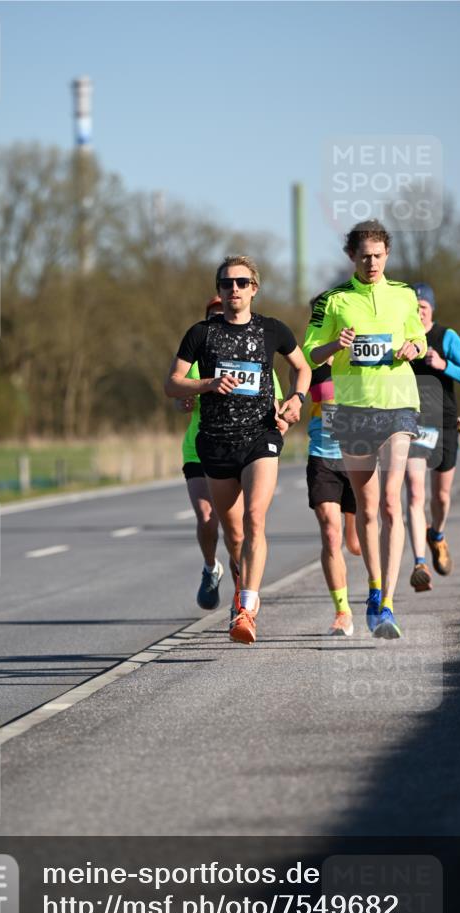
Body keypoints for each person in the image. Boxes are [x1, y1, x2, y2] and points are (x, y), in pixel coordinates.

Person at [165, 254, 311, 644]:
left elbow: (303, 366)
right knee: (233, 535)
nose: (234, 289)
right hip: (214, 442)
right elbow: (172, 383)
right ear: (219, 289)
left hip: (259, 437)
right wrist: (207, 385)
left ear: (254, 289)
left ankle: (247, 607)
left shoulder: (272, 330)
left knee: (255, 517)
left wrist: (297, 399)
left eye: (242, 283)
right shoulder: (200, 334)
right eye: (227, 283)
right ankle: (236, 588)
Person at [303, 220, 427, 639]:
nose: (371, 262)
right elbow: (309, 352)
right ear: (351, 256)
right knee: (368, 507)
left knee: (392, 502)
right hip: (353, 409)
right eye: (363, 255)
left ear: (386, 255)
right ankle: (373, 589)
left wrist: (415, 347)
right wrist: (335, 345)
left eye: (377, 255)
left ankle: (388, 603)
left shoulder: (405, 294)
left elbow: (418, 339)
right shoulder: (333, 301)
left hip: (397, 405)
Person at [178, 296, 285, 612]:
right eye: (213, 316)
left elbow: (275, 405)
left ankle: (243, 592)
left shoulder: (255, 358)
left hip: (242, 447)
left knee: (240, 530)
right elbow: (176, 390)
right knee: (206, 516)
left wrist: (280, 425)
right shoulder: (197, 357)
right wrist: (187, 397)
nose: (220, 321)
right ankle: (211, 567)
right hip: (200, 447)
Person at [404, 283, 460, 591]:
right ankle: (419, 563)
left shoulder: (446, 337)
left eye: (423, 306)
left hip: (445, 422)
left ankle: (436, 536)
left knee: (441, 496)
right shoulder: (403, 339)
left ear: (432, 309)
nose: (419, 311)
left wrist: (443, 365)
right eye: (414, 307)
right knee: (414, 492)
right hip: (412, 423)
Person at [306, 354, 361, 636]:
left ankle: (379, 596)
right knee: (330, 533)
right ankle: (342, 611)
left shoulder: (360, 356)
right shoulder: (310, 362)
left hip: (359, 456)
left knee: (355, 544)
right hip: (323, 455)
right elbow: (294, 392)